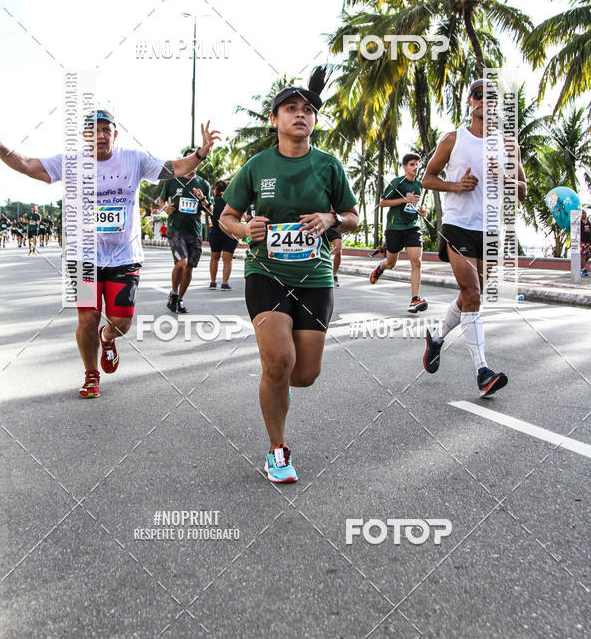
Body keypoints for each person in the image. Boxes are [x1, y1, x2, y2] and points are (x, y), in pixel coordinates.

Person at [0, 108, 219, 398]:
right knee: (87, 319)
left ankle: (108, 338)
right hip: (83, 255)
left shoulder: (133, 159)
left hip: (124, 255)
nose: (100, 135)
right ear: (85, 136)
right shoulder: (71, 162)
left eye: (105, 130)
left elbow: (173, 167)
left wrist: (200, 153)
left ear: (115, 134)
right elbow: (26, 164)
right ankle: (90, 374)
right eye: (93, 130)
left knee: (121, 322)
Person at [220, 68, 359, 483]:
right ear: (275, 119)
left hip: (315, 276)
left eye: (308, 110)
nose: (301, 115)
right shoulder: (257, 166)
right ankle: (277, 450)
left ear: (315, 121)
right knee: (280, 362)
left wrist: (330, 217)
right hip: (265, 272)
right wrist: (246, 229)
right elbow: (226, 216)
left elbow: (353, 217)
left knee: (305, 374)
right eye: (291, 109)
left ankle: (275, 380)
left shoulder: (329, 167)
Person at [421, 79, 527, 398]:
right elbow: (428, 177)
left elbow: (522, 190)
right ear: (470, 101)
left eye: (493, 98)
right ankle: (482, 371)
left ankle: (437, 339)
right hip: (458, 224)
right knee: (472, 290)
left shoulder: (509, 145)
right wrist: (456, 186)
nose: (486, 102)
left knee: (471, 297)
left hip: (490, 228)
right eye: (480, 96)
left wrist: (506, 176)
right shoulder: (454, 139)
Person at [369, 153, 428, 313]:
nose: (415, 167)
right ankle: (380, 268)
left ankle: (415, 299)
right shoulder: (397, 183)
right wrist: (403, 200)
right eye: (412, 164)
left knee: (417, 262)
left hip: (412, 227)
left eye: (417, 164)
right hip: (395, 228)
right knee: (391, 263)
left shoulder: (419, 185)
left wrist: (421, 211)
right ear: (405, 167)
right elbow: (382, 202)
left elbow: (414, 206)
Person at [159, 150, 213, 313]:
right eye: (190, 159)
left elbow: (210, 211)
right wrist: (164, 208)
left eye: (197, 161)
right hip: (175, 229)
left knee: (189, 267)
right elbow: (162, 199)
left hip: (194, 231)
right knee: (181, 263)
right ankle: (174, 293)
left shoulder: (204, 184)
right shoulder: (172, 180)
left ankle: (179, 298)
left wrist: (202, 199)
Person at [209, 179, 238, 290]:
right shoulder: (231, 200)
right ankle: (224, 283)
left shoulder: (213, 201)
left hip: (215, 231)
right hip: (229, 231)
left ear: (216, 189)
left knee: (214, 258)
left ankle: (212, 282)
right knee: (227, 259)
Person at [581, 209, 591, 276]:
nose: (583, 214)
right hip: (582, 240)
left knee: (589, 254)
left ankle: (582, 264)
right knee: (583, 255)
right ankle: (583, 269)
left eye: (584, 213)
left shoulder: (588, 222)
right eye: (582, 213)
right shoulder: (579, 222)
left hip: (588, 241)